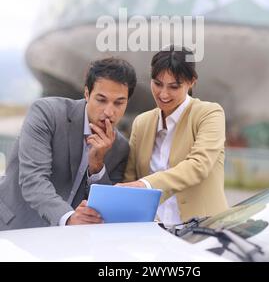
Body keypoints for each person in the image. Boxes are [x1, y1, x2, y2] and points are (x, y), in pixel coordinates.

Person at [0, 57, 136, 230]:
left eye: (119, 103)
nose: (109, 112)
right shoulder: (47, 113)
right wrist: (68, 217)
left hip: (67, 241)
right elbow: (32, 179)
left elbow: (104, 207)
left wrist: (97, 166)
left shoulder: (120, 148)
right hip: (13, 226)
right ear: (87, 94)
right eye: (101, 100)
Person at [119, 45, 228, 225]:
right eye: (157, 83)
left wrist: (146, 185)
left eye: (174, 86)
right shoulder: (142, 122)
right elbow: (129, 178)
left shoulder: (210, 114)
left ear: (191, 82)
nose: (163, 94)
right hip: (154, 232)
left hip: (204, 231)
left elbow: (198, 166)